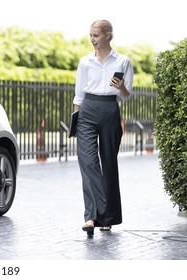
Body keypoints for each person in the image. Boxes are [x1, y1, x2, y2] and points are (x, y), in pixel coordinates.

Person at [73, 19, 134, 236]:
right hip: (88, 110)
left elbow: (126, 97)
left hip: (110, 109)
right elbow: (78, 94)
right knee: (88, 162)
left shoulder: (123, 62)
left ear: (108, 35)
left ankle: (107, 217)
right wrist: (75, 119)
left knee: (109, 163)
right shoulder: (85, 62)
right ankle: (91, 216)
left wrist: (122, 88)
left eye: (96, 35)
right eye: (90, 35)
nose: (92, 39)